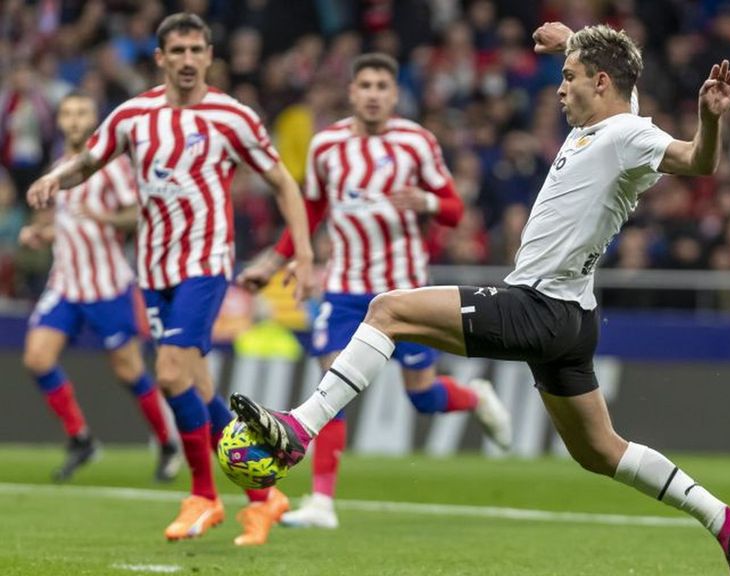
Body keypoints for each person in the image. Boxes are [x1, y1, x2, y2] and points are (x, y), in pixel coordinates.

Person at [232, 24, 730, 575]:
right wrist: (574, 41)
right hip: (574, 318)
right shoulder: (607, 115)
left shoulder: (627, 134)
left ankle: (299, 428)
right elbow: (622, 65)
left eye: (568, 78)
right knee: (600, 451)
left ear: (599, 83)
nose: (559, 89)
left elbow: (698, 161)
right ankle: (726, 521)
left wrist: (710, 117)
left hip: (537, 306)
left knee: (387, 310)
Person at [27, 13, 315, 545]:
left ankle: (204, 497)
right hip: (153, 268)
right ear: (160, 58)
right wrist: (53, 178)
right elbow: (90, 160)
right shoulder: (134, 114)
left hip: (205, 264)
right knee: (196, 385)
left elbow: (283, 183)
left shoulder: (232, 116)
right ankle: (262, 495)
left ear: (209, 56)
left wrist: (300, 253)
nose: (186, 60)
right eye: (176, 51)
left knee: (169, 373)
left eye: (195, 50)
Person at [237, 52, 513, 529]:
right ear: (352, 92)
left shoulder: (416, 143)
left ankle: (475, 397)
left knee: (422, 397)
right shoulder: (327, 146)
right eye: (364, 84)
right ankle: (322, 502)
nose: (372, 94)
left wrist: (425, 199)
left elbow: (451, 210)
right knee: (331, 385)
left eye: (382, 86)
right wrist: (276, 259)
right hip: (344, 289)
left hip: (404, 292)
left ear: (393, 94)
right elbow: (312, 210)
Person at [19, 92, 180, 484]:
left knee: (128, 370)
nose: (75, 120)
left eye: (82, 112)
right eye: (68, 113)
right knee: (37, 358)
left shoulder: (110, 166)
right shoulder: (59, 168)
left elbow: (137, 215)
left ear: (95, 119)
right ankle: (81, 438)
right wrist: (42, 235)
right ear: (59, 121)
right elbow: (71, 224)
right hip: (65, 284)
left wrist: (102, 215)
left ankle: (167, 442)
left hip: (107, 286)